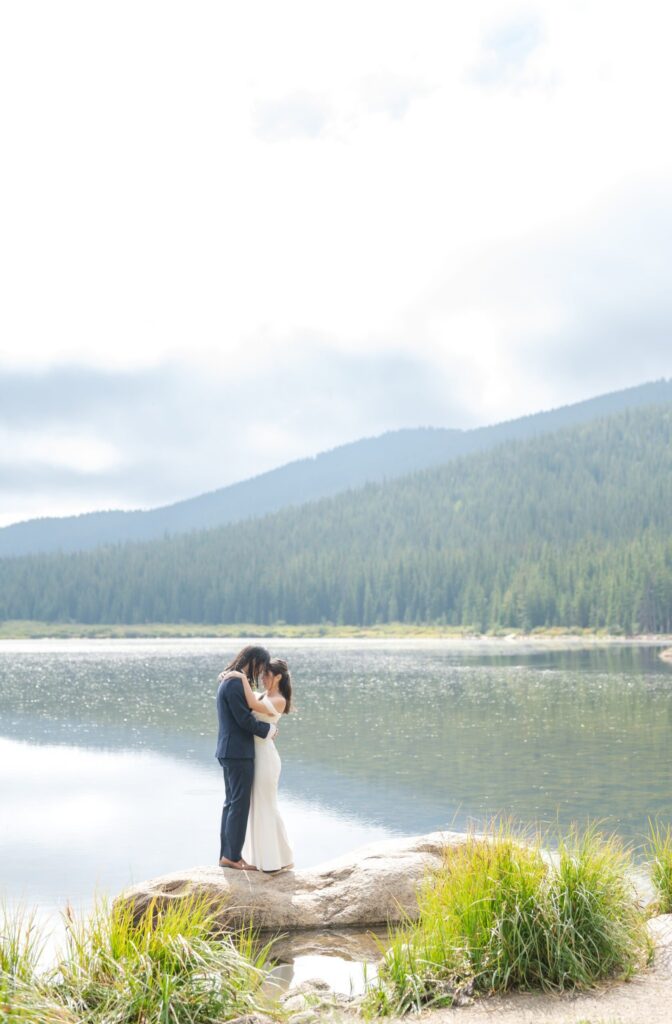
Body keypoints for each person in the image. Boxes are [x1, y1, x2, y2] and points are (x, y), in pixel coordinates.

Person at [228, 658, 294, 872]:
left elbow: (253, 705)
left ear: (278, 677)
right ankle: (260, 859)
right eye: (261, 674)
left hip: (266, 758)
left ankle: (279, 860)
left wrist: (240, 677)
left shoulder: (279, 700)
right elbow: (248, 702)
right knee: (256, 806)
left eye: (266, 674)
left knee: (267, 805)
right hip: (254, 755)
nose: (262, 678)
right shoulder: (264, 695)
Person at [215, 645, 276, 870]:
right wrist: (268, 730)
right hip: (238, 752)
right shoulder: (233, 682)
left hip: (229, 750)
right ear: (252, 660)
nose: (260, 672)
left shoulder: (229, 680)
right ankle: (232, 857)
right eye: (260, 666)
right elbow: (243, 719)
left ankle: (227, 855)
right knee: (238, 804)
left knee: (231, 804)